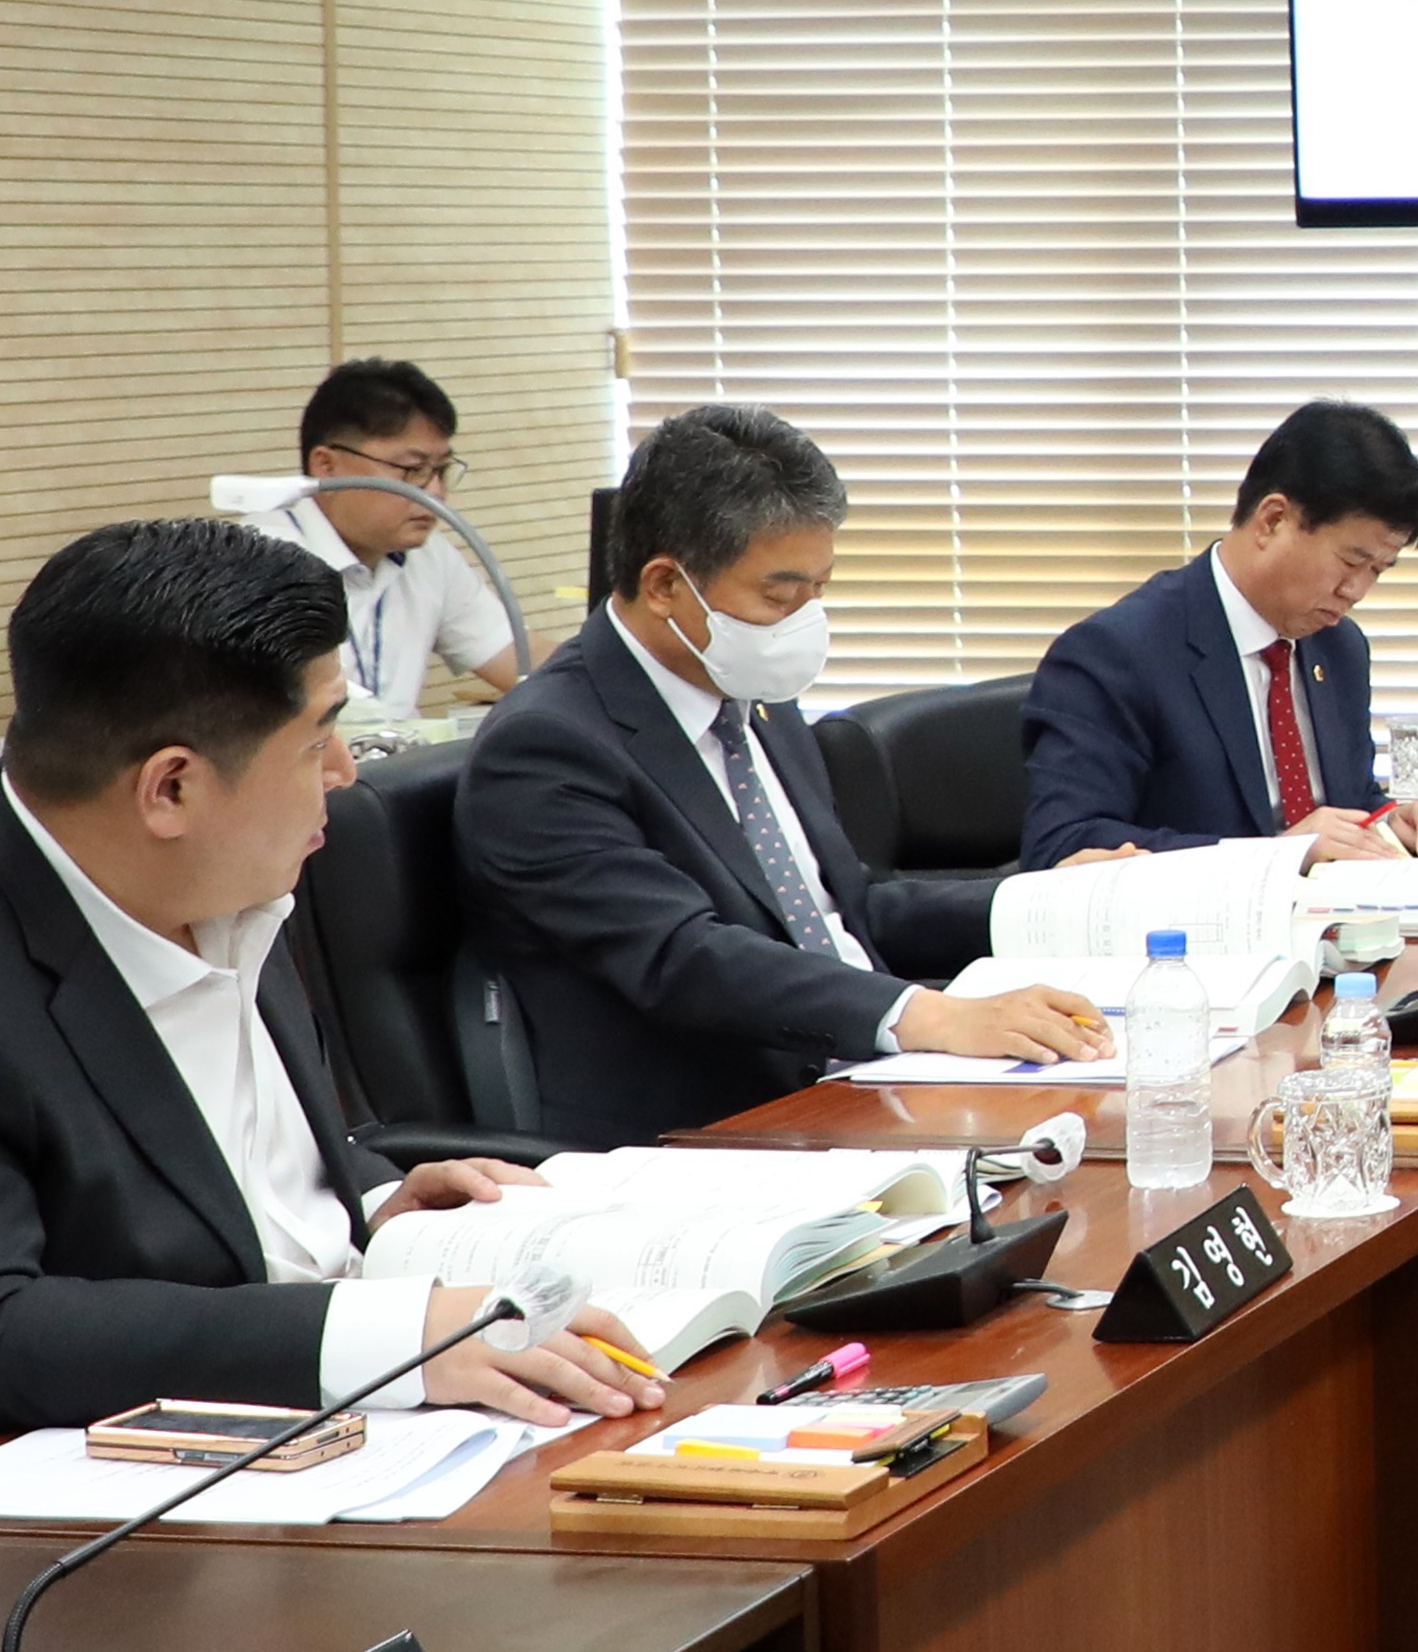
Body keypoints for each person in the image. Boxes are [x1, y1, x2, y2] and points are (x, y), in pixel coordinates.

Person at [0, 521, 651, 1499]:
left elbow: (212, 1176)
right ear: (170, 787)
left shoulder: (215, 880)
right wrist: (392, 1335)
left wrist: (378, 1206)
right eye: (317, 737)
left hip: (287, 1453)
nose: (344, 771)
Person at [464, 403, 1104, 1140]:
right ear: (666, 584)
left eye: (818, 591)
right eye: (779, 595)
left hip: (862, 1079)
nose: (804, 621)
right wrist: (929, 1017)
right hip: (709, 1123)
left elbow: (845, 909)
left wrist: (1052, 904)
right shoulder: (545, 745)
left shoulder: (754, 696)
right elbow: (681, 956)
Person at [1024, 401, 1418, 862]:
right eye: (1351, 561)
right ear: (1273, 520)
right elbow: (1064, 843)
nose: (1356, 590)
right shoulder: (1116, 653)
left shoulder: (1339, 647)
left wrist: (1390, 821)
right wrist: (1275, 857)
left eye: (1377, 570)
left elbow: (1347, 801)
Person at [259, 356, 519, 718]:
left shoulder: (428, 555)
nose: (435, 493)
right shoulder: (260, 564)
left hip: (399, 755)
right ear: (326, 466)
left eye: (441, 470)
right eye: (413, 470)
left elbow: (522, 662)